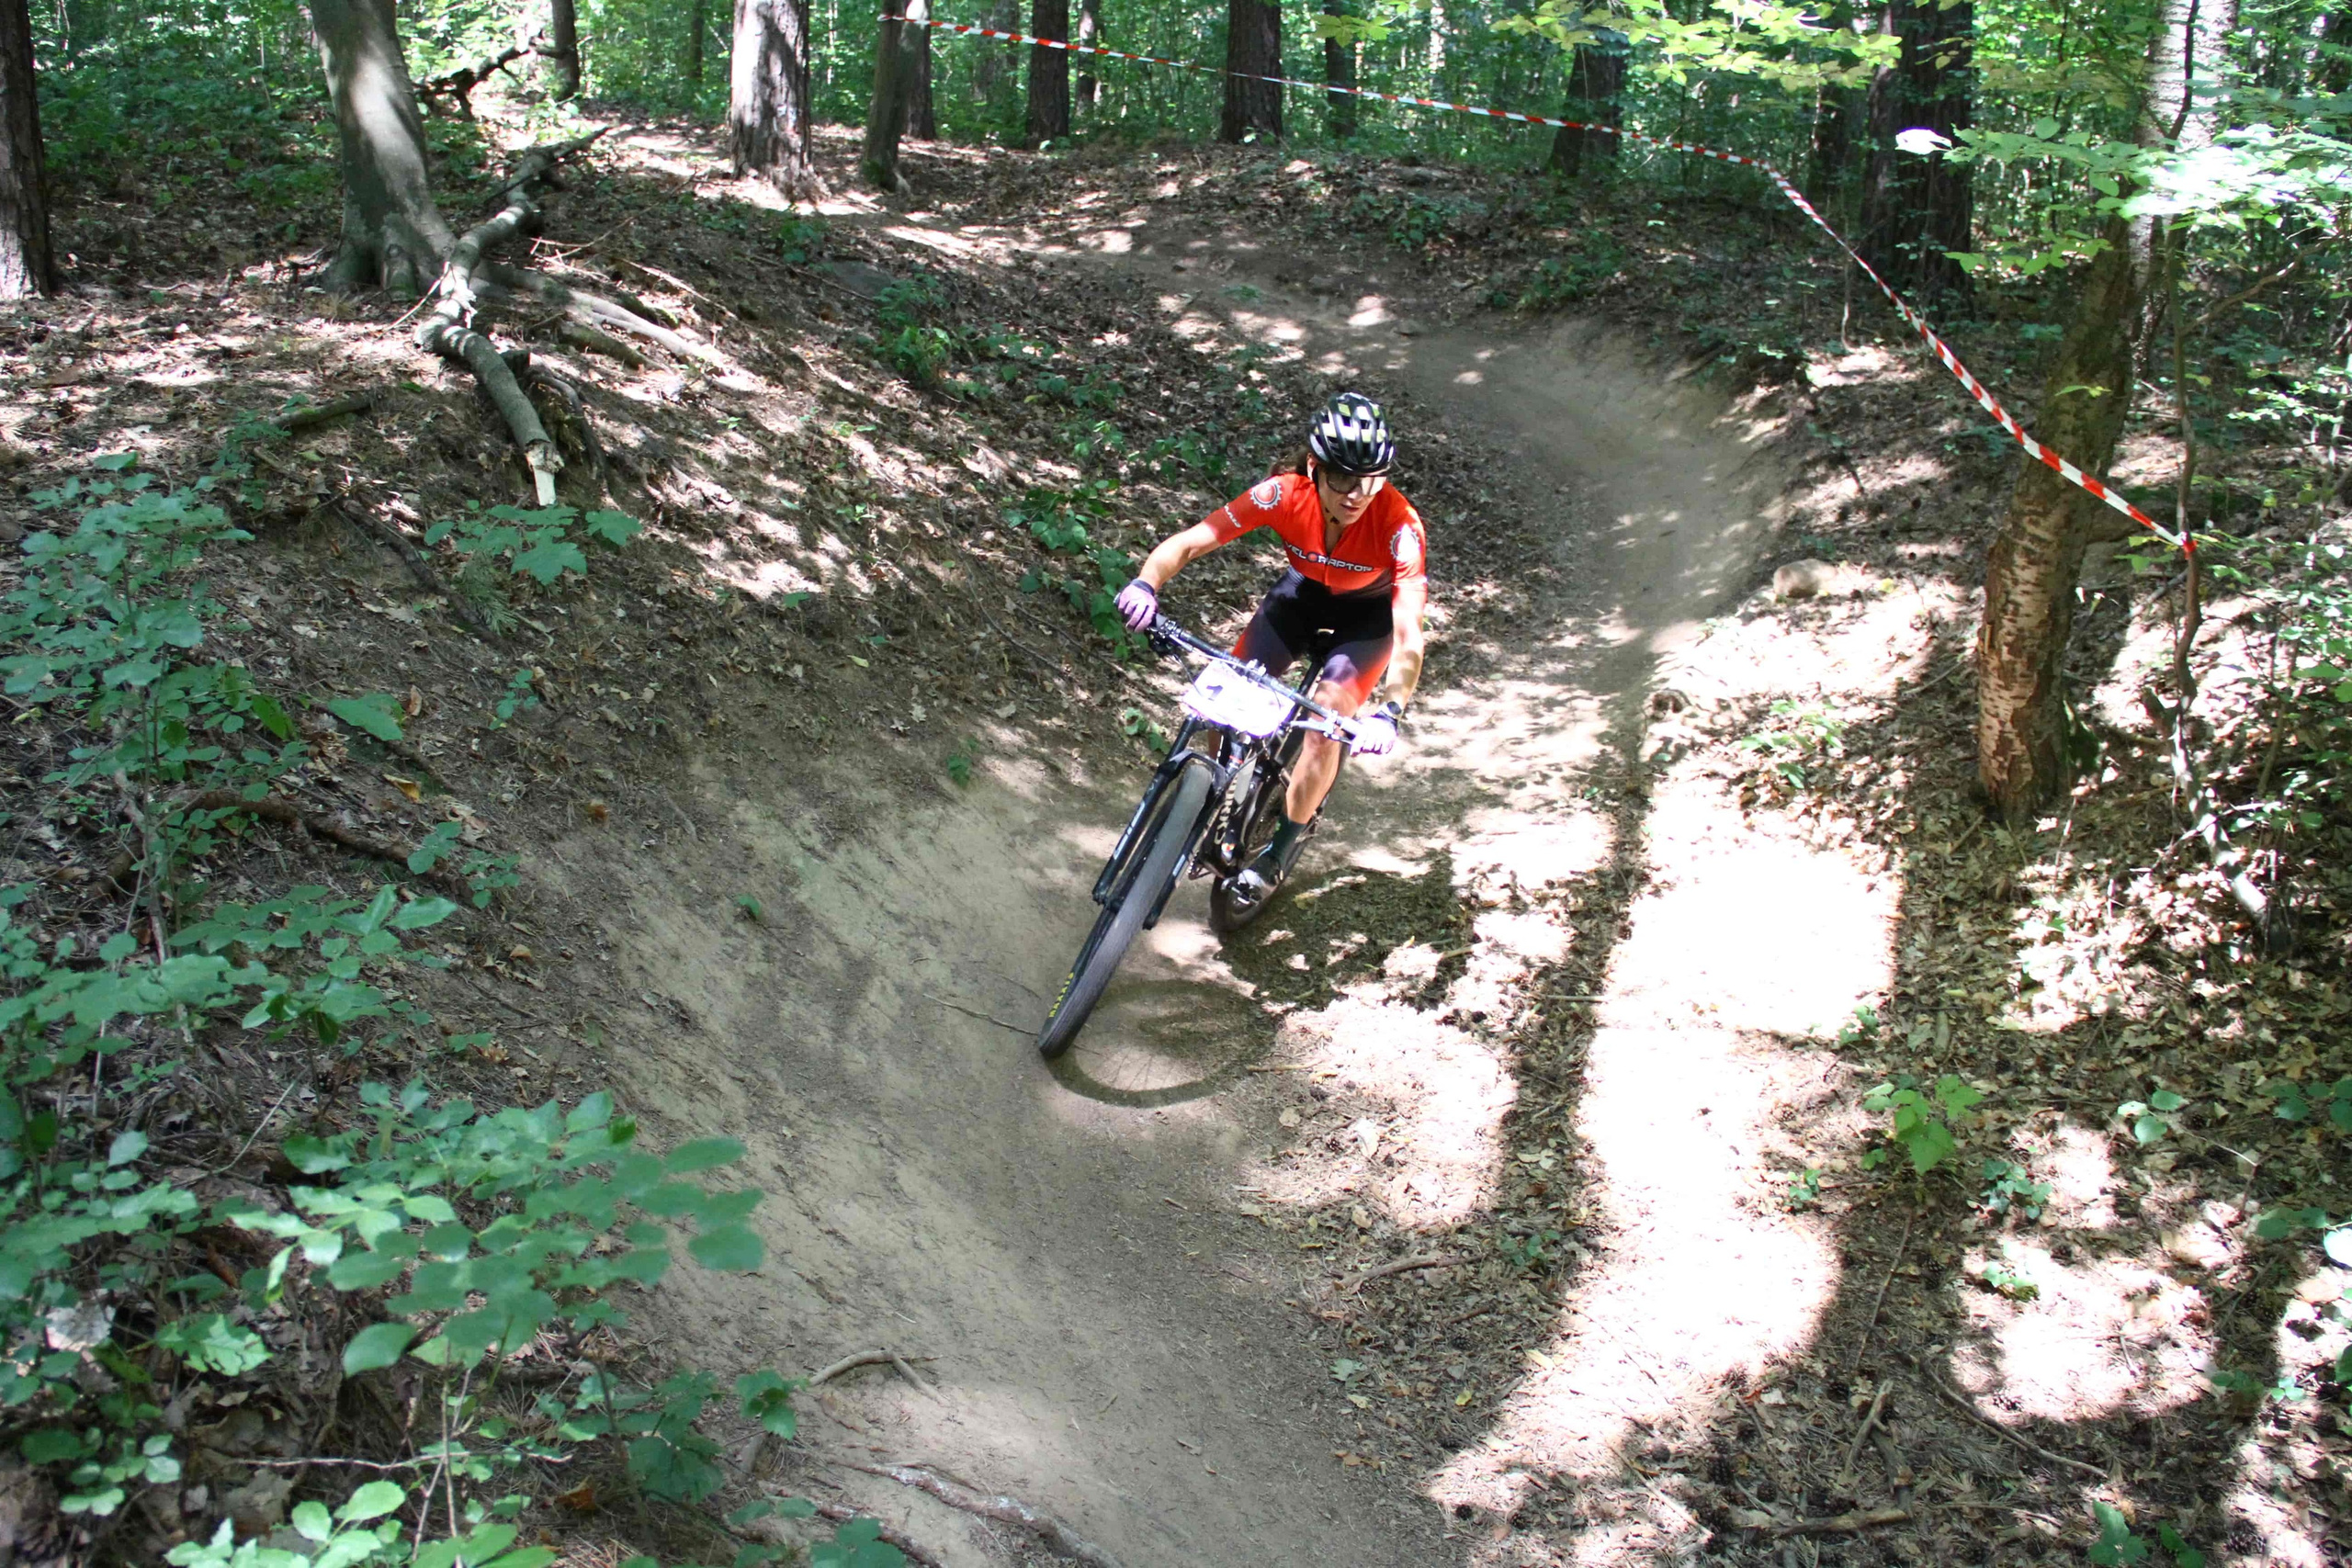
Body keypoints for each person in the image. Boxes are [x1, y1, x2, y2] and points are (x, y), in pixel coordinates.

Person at [1113, 391, 1428, 905]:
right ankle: (1217, 794)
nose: (1356, 494)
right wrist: (1146, 584)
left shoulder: (1399, 525)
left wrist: (1390, 712)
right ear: (1314, 468)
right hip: (1301, 597)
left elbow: (1409, 626)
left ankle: (1280, 849)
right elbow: (1196, 539)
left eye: (1370, 480)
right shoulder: (1283, 494)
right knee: (1224, 699)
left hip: (1366, 621)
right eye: (1343, 478)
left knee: (1327, 724)